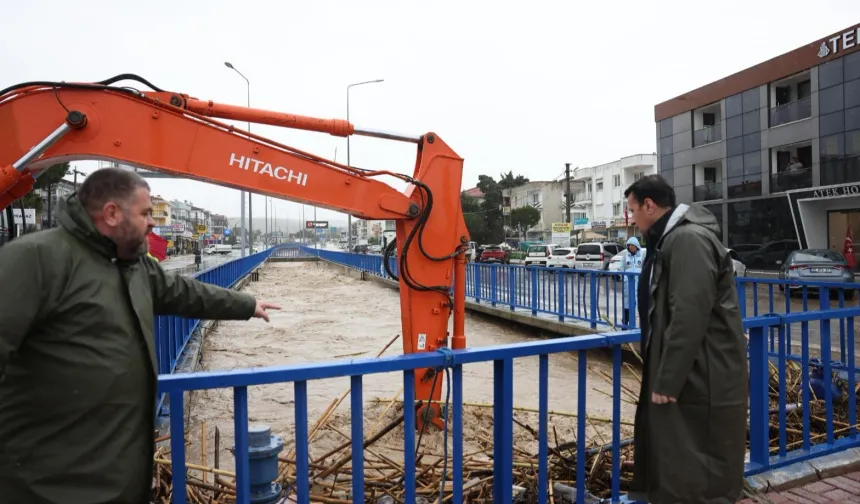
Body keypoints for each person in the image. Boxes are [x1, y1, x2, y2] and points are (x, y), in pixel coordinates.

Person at [0, 167, 281, 504]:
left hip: (116, 476)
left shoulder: (132, 265)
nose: (153, 222)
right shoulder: (36, 259)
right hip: (49, 483)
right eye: (146, 213)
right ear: (112, 213)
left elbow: (185, 293)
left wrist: (247, 304)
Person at [624, 175, 747, 504]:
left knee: (697, 466)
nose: (631, 219)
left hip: (701, 373)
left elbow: (689, 313)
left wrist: (667, 378)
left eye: (632, 210)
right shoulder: (671, 240)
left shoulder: (686, 241)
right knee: (681, 460)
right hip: (695, 371)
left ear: (650, 206)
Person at [619, 236, 644, 326]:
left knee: (641, 306)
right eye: (629, 245)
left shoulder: (642, 256)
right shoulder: (625, 257)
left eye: (632, 245)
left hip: (639, 285)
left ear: (636, 246)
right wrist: (622, 278)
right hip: (628, 286)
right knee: (627, 306)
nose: (631, 247)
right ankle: (625, 326)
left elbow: (646, 269)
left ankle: (642, 328)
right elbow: (621, 269)